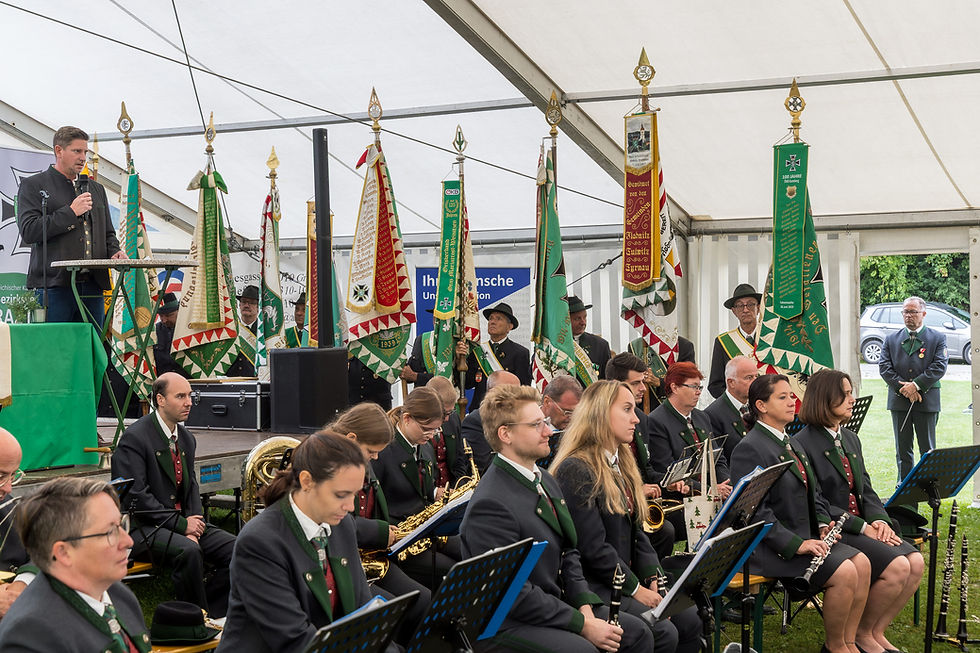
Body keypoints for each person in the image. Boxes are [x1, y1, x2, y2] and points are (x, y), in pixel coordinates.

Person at [459, 384, 654, 652]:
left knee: (639, 634)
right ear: (505, 434)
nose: (548, 432)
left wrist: (585, 609)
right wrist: (582, 625)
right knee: (584, 650)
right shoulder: (491, 504)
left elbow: (569, 552)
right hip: (507, 622)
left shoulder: (544, 479)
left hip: (552, 604)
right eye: (536, 425)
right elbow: (512, 593)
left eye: (544, 422)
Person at [552, 380, 702, 653]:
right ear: (600, 413)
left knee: (690, 619)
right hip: (595, 585)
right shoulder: (576, 468)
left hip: (621, 576)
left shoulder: (618, 461)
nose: (636, 419)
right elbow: (593, 548)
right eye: (627, 409)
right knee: (663, 631)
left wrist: (654, 578)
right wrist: (636, 589)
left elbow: (637, 533)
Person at [218, 431, 399, 653]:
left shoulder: (341, 524)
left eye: (354, 494)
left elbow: (363, 610)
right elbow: (295, 640)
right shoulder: (259, 542)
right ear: (306, 481)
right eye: (340, 494)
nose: (350, 506)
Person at [730, 374, 871, 653]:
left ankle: (849, 642)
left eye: (791, 395)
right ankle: (835, 646)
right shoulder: (750, 448)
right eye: (782, 397)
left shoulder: (790, 441)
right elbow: (754, 513)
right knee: (845, 572)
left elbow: (813, 493)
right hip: (769, 548)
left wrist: (822, 523)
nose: (792, 401)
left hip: (805, 536)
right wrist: (797, 544)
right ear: (761, 406)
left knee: (863, 564)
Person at [795, 369, 923, 653]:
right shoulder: (802, 443)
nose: (852, 399)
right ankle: (858, 636)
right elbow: (816, 502)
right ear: (825, 398)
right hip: (837, 529)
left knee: (915, 562)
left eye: (851, 392)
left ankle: (873, 632)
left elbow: (866, 487)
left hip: (864, 525)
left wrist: (880, 520)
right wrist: (864, 527)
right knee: (899, 567)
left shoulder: (850, 438)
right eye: (845, 394)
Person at [111, 373, 236, 616]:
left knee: (238, 548)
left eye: (189, 395)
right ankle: (192, 619)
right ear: (160, 400)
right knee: (188, 551)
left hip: (182, 523)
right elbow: (135, 496)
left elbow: (191, 486)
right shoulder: (135, 438)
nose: (189, 402)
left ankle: (212, 611)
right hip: (142, 528)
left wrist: (194, 523)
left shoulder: (186, 438)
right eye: (180, 396)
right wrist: (182, 527)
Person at [0, 477, 151, 652]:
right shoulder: (31, 635)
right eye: (110, 532)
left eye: (121, 524)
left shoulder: (118, 594)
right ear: (63, 553)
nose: (128, 541)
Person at [330, 403, 432, 633]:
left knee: (423, 599)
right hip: (344, 562)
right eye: (371, 451)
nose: (376, 457)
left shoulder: (360, 460)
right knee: (392, 611)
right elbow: (337, 524)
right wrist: (379, 531)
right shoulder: (329, 469)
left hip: (371, 556)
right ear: (352, 438)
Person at [15, 126, 125, 325]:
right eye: (77, 151)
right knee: (55, 342)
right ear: (59, 151)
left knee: (91, 341)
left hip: (93, 286)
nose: (83, 158)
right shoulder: (34, 185)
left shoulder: (96, 189)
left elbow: (107, 232)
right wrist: (71, 213)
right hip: (54, 286)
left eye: (85, 152)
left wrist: (114, 251)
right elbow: (29, 231)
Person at [373, 387, 460, 588]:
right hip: (400, 539)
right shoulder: (383, 451)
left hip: (423, 530)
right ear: (407, 419)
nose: (431, 435)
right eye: (426, 429)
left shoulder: (424, 446)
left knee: (469, 550)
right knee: (452, 570)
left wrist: (435, 494)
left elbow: (422, 489)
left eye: (436, 430)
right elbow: (376, 505)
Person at [605, 353, 677, 561]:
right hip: (616, 507)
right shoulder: (603, 423)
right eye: (636, 383)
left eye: (643, 381)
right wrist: (635, 491)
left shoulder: (642, 419)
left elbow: (647, 470)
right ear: (615, 385)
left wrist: (669, 481)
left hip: (640, 501)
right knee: (665, 531)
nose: (644, 388)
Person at [879, 296, 949, 483]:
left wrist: (916, 385)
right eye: (905, 312)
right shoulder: (891, 339)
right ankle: (903, 487)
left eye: (913, 312)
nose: (908, 316)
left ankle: (930, 488)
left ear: (923, 314)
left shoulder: (937, 338)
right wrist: (904, 389)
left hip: (926, 400)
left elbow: (939, 366)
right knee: (902, 450)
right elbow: (884, 367)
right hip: (899, 401)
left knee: (927, 449)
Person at [648, 362, 732, 503]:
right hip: (682, 501)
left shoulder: (702, 417)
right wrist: (710, 490)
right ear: (674, 387)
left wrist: (726, 485)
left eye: (699, 387)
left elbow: (718, 459)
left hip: (714, 497)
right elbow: (668, 473)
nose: (698, 392)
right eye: (693, 387)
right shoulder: (656, 421)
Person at [465, 303, 532, 411]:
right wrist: (460, 359)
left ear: (509, 327)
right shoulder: (477, 351)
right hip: (480, 410)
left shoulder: (520, 353)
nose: (492, 322)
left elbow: (523, 389)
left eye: (498, 319)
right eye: (491, 318)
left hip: (506, 411)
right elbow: (467, 384)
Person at [707, 283, 762, 398]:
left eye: (750, 304)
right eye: (740, 306)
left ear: (758, 308)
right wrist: (738, 402)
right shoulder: (723, 342)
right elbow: (716, 386)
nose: (745, 309)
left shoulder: (770, 339)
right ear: (734, 311)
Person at [460, 370, 521, 473]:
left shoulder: (520, 420)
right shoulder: (475, 422)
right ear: (491, 393)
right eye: (510, 393)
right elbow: (482, 467)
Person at [0, 428, 32, 619]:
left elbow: (42, 553)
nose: (8, 488)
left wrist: (21, 584)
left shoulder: (8, 507)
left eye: (12, 476)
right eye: (0, 476)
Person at [704, 355, 759, 463]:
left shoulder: (757, 407)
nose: (755, 382)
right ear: (731, 382)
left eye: (756, 376)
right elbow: (719, 462)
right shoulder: (712, 415)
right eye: (749, 378)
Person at [425, 375, 470, 488]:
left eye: (451, 412)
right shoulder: (417, 427)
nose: (447, 419)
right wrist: (434, 492)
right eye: (444, 413)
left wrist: (458, 487)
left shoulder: (453, 419)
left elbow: (460, 459)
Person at [627, 335, 696, 408]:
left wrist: (659, 382)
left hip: (673, 408)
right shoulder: (635, 347)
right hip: (643, 408)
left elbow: (688, 381)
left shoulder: (684, 345)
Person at [536, 373, 583, 469]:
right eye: (567, 412)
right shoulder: (526, 426)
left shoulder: (580, 430)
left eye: (575, 412)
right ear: (547, 402)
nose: (571, 418)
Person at [568, 295, 612, 383]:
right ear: (566, 319)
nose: (583, 322)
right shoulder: (555, 345)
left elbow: (608, 380)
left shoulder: (600, 345)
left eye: (585, 317)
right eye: (577, 318)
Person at [225, 285, 259, 377]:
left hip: (254, 381)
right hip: (232, 380)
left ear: (258, 307)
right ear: (239, 305)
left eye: (251, 303)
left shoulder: (262, 332)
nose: (246, 305)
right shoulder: (231, 328)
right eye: (243, 302)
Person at [153, 292, 188, 377]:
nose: (164, 320)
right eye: (161, 316)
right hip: (162, 380)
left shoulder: (189, 330)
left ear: (179, 311)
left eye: (168, 315)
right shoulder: (154, 332)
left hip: (187, 380)